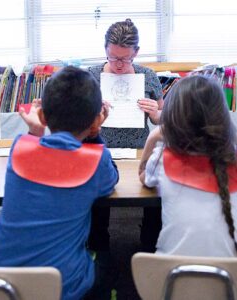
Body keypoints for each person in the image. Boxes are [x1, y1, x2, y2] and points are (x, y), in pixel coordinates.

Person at [0, 66, 119, 300]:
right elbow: (110, 180)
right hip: (62, 287)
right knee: (109, 261)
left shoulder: (19, 147)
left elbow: (40, 147)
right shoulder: (98, 160)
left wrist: (35, 130)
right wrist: (95, 133)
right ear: (96, 121)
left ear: (43, 116)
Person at [139, 75, 237, 257]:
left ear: (173, 115)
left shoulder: (163, 156)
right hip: (233, 280)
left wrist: (154, 136)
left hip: (173, 279)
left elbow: (144, 177)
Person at [88, 18, 163, 254]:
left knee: (154, 194)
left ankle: (149, 243)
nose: (119, 65)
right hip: (100, 148)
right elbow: (77, 120)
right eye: (113, 58)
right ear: (105, 51)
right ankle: (99, 244)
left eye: (125, 59)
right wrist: (92, 110)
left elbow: (160, 120)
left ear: (136, 53)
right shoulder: (91, 75)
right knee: (98, 198)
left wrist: (155, 111)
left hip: (140, 150)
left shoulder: (148, 76)